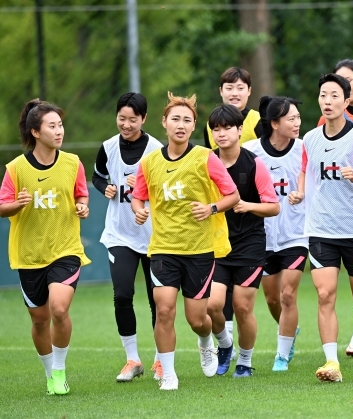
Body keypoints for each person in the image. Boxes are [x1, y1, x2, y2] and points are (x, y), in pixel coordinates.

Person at [131, 92, 240, 390]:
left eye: (187, 120)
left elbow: (233, 195)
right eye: (175, 119)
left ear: (194, 127)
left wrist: (212, 207)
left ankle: (208, 339)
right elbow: (139, 197)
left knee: (196, 318)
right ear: (164, 122)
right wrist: (140, 211)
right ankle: (168, 373)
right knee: (164, 308)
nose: (180, 125)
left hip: (199, 249)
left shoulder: (206, 157)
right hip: (163, 248)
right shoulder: (150, 161)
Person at [289, 73, 353, 382]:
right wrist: (300, 191)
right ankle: (331, 362)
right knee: (324, 294)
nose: (328, 101)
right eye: (323, 95)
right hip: (321, 228)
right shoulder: (310, 138)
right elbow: (307, 169)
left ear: (347, 101)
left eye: (335, 95)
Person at [0, 99, 91, 395]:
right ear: (36, 132)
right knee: (40, 321)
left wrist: (82, 205)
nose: (59, 131)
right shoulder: (15, 168)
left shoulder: (73, 163)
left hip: (65, 248)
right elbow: (3, 207)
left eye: (60, 125)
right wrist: (16, 204)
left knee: (59, 309)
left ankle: (60, 370)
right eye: (52, 126)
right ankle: (49, 373)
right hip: (29, 254)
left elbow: (81, 195)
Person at [92, 93, 163, 382]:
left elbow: (169, 188)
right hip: (119, 233)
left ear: (143, 119)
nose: (127, 124)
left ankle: (161, 360)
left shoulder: (157, 150)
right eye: (122, 118)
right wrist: (105, 188)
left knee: (158, 301)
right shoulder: (108, 147)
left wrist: (147, 185)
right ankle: (132, 359)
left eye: (133, 119)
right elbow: (98, 176)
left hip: (155, 237)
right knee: (122, 295)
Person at [206, 104, 279, 378]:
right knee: (212, 306)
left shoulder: (254, 163)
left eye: (227, 128)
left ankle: (245, 362)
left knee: (242, 306)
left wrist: (248, 205)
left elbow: (273, 206)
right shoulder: (205, 162)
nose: (221, 133)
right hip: (216, 243)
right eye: (216, 129)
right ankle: (225, 346)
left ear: (239, 130)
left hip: (249, 244)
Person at [245, 96, 307, 372]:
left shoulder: (305, 149)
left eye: (297, 117)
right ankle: (289, 329)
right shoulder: (251, 152)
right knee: (271, 298)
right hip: (263, 235)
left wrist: (302, 194)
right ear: (274, 123)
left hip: (296, 233)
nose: (297, 123)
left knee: (288, 295)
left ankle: (281, 355)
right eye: (291, 118)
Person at [203, 67, 263, 150]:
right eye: (229, 88)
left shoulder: (259, 120)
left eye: (240, 88)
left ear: (249, 91)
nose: (235, 93)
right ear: (221, 91)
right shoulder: (210, 124)